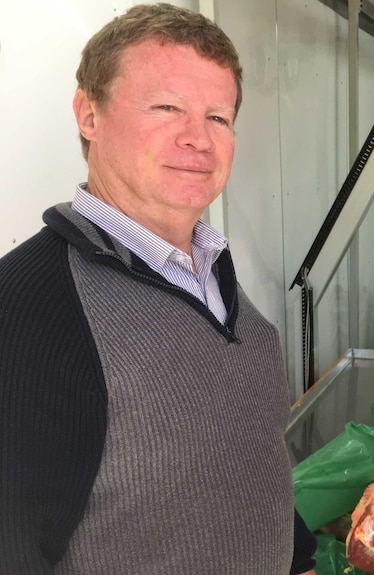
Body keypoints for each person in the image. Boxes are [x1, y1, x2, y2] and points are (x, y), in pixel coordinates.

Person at [0, 4, 317, 574]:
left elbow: (253, 457)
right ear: (88, 114)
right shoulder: (25, 308)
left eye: (218, 117)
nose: (198, 138)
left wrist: (300, 560)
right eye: (167, 107)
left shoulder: (210, 272)